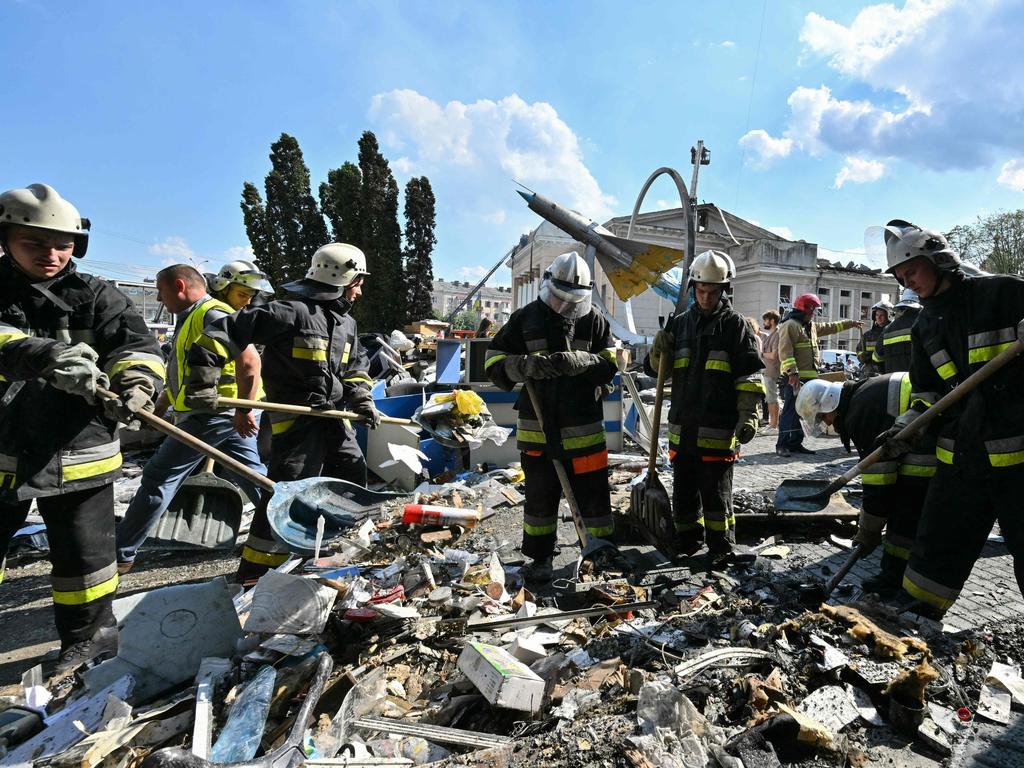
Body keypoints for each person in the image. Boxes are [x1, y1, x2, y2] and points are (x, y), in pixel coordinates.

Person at [0, 183, 165, 671]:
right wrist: (43, 355)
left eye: (63, 244)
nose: (51, 254)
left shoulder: (98, 295)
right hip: (4, 450)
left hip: (80, 455)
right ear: (5, 238)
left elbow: (137, 347)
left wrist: (135, 384)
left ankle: (86, 643)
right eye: (35, 243)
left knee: (87, 566)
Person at [187, 243, 380, 581]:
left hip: (333, 419)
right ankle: (257, 570)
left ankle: (335, 553)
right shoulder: (289, 312)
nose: (360, 291)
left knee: (351, 475)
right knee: (288, 491)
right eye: (358, 283)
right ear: (342, 278)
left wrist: (362, 398)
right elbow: (219, 335)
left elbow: (356, 369)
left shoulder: (346, 323)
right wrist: (203, 386)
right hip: (296, 419)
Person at [876, 220, 1024, 618]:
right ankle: (913, 620)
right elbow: (927, 394)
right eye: (902, 278)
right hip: (960, 458)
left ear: (939, 260)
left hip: (1018, 459)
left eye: (913, 272)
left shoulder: (1003, 293)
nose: (910, 284)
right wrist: (905, 425)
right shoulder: (925, 327)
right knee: (936, 545)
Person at [114, 264, 271, 574]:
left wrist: (243, 410)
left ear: (179, 285)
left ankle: (120, 553)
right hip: (220, 415)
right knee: (254, 477)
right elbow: (181, 377)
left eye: (161, 293)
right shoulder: (190, 319)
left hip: (214, 415)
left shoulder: (214, 314)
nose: (160, 301)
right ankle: (285, 531)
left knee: (158, 477)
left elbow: (251, 362)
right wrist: (157, 413)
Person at [485, 252, 618, 582]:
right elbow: (492, 361)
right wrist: (524, 366)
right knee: (540, 500)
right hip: (538, 429)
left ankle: (599, 552)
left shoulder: (595, 321)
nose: (564, 306)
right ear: (548, 287)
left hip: (584, 428)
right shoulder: (524, 318)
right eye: (559, 298)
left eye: (571, 300)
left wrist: (585, 361)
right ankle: (540, 558)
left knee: (594, 497)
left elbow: (613, 363)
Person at [646, 251, 764, 562]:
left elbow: (750, 375)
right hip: (683, 430)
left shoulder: (736, 327)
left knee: (716, 497)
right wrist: (658, 352)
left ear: (725, 290)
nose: (706, 297)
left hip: (718, 431)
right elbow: (657, 371)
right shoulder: (680, 324)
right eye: (700, 291)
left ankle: (721, 548)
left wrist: (749, 414)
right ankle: (687, 543)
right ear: (692, 289)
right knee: (683, 496)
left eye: (713, 292)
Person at [796, 374, 934, 595]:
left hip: (928, 447)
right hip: (922, 437)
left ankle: (902, 585)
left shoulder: (860, 413)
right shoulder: (861, 396)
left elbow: (879, 485)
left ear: (831, 402)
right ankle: (892, 576)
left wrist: (868, 530)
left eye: (823, 417)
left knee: (906, 512)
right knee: (901, 513)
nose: (827, 423)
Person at [776, 293, 862, 456]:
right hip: (794, 378)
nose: (813, 313)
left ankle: (795, 443)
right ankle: (782, 444)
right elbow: (785, 353)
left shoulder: (811, 326)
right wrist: (792, 374)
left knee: (804, 412)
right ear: (803, 308)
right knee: (790, 411)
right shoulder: (790, 325)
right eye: (811, 309)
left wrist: (851, 323)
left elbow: (831, 326)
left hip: (809, 379)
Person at [873, 288, 921, 374]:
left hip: (894, 383)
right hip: (918, 384)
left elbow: (876, 358)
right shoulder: (923, 324)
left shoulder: (887, 330)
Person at [207, 260, 274, 310]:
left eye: (251, 297)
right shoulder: (212, 314)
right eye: (242, 295)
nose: (247, 303)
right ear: (224, 288)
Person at [857, 300, 894, 376]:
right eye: (877, 315)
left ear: (889, 315)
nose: (878, 318)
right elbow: (859, 349)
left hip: (886, 372)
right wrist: (861, 356)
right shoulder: (868, 335)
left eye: (882, 315)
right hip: (869, 373)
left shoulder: (892, 333)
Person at [760, 310, 781, 434]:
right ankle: (771, 424)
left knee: (773, 398)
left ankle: (774, 426)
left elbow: (774, 355)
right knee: (769, 398)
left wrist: (761, 354)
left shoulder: (777, 335)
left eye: (766, 320)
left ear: (772, 321)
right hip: (767, 371)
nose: (764, 322)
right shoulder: (772, 335)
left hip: (772, 371)